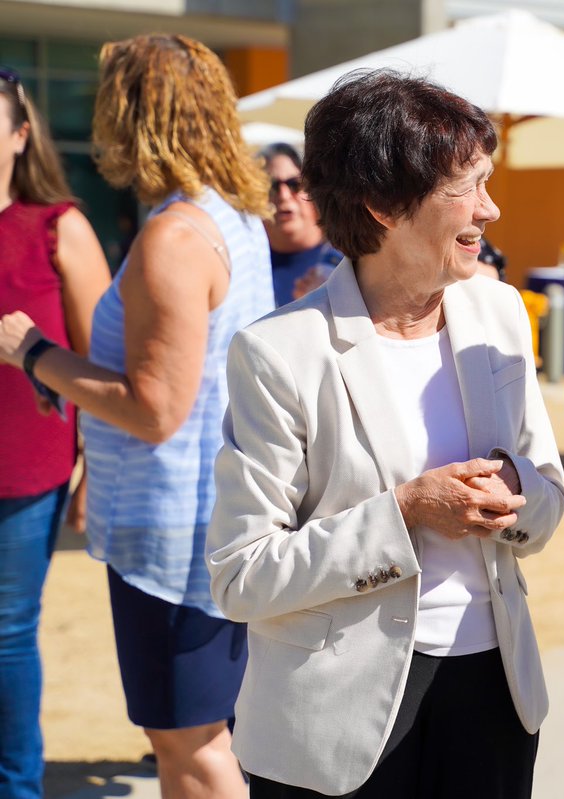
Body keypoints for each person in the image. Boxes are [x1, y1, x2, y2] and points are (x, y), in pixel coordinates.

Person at [206, 70, 564, 799]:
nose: (491, 208)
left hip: (493, 696)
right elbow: (242, 575)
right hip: (335, 719)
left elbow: (549, 499)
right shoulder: (279, 352)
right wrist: (405, 512)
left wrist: (517, 490)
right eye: (467, 187)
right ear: (382, 206)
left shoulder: (498, 313)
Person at [0, 35, 274, 799]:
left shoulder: (174, 236)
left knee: (189, 744)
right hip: (213, 514)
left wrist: (33, 351)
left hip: (176, 534)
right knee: (205, 737)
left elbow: (154, 409)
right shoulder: (231, 218)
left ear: (132, 117)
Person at [0, 66, 110, 799]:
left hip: (24, 471)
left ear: (19, 135)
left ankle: (17, 787)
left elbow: (102, 359)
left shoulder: (57, 225)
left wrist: (96, 469)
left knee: (7, 632)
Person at [260, 142, 341, 306]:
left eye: (294, 184)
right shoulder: (246, 266)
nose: (283, 196)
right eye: (271, 186)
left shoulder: (345, 260)